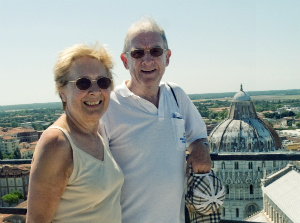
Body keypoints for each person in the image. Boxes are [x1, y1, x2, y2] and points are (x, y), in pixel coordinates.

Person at [99, 17, 212, 223]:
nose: (148, 60)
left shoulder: (176, 96)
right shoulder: (109, 107)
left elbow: (197, 135)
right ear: (125, 61)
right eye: (138, 53)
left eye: (156, 51)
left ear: (167, 57)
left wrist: (200, 147)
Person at [26, 43, 124, 223]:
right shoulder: (57, 143)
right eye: (83, 83)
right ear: (62, 92)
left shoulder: (97, 135)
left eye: (102, 82)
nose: (94, 91)